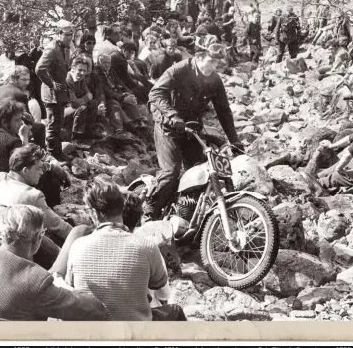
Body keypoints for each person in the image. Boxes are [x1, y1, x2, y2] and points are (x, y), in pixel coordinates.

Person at [143, 40, 243, 222]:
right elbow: (155, 94)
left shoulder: (214, 80)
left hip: (192, 127)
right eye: (211, 61)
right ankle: (148, 211)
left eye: (218, 63)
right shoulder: (179, 70)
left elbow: (224, 111)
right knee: (171, 172)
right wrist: (173, 116)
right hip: (168, 126)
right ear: (199, 57)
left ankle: (185, 214)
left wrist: (234, 140)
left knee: (199, 173)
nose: (214, 67)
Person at [0, 204, 109, 321]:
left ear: (4, 232)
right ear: (37, 238)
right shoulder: (34, 281)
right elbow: (94, 310)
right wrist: (65, 287)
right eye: (42, 233)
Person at [65, 178, 187, 321]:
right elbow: (161, 290)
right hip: (135, 332)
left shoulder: (77, 247)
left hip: (93, 335)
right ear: (121, 207)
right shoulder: (147, 247)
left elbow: (72, 288)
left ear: (94, 213)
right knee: (174, 310)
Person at [0, 144, 72, 268]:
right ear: (25, 170)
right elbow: (58, 226)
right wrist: (80, 235)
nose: (41, 172)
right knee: (57, 248)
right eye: (39, 168)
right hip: (17, 252)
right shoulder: (32, 195)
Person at [35, 19, 74, 160]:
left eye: (71, 34)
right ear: (58, 34)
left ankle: (58, 152)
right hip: (51, 93)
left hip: (61, 91)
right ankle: (52, 154)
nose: (69, 37)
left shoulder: (66, 47)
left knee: (58, 123)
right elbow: (39, 69)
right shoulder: (52, 49)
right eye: (66, 34)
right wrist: (51, 84)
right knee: (52, 125)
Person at [0, 65, 46, 148]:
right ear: (14, 79)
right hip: (10, 127)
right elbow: (28, 118)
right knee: (40, 127)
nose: (27, 82)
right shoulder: (20, 94)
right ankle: (41, 153)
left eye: (28, 80)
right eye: (24, 79)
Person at [96, 54, 146, 134]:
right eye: (104, 62)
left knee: (129, 95)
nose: (107, 65)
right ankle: (128, 125)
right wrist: (122, 98)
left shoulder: (111, 71)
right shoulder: (97, 74)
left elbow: (120, 83)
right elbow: (106, 91)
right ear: (98, 63)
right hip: (107, 97)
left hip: (116, 93)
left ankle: (139, 120)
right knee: (116, 103)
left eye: (109, 63)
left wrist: (129, 92)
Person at [64, 56, 104, 141]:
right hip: (64, 110)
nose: (82, 73)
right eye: (80, 70)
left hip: (76, 106)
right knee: (83, 108)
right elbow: (74, 102)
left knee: (93, 103)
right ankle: (76, 136)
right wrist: (85, 98)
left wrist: (84, 99)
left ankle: (89, 131)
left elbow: (90, 94)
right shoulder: (68, 80)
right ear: (73, 68)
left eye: (84, 71)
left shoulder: (81, 78)